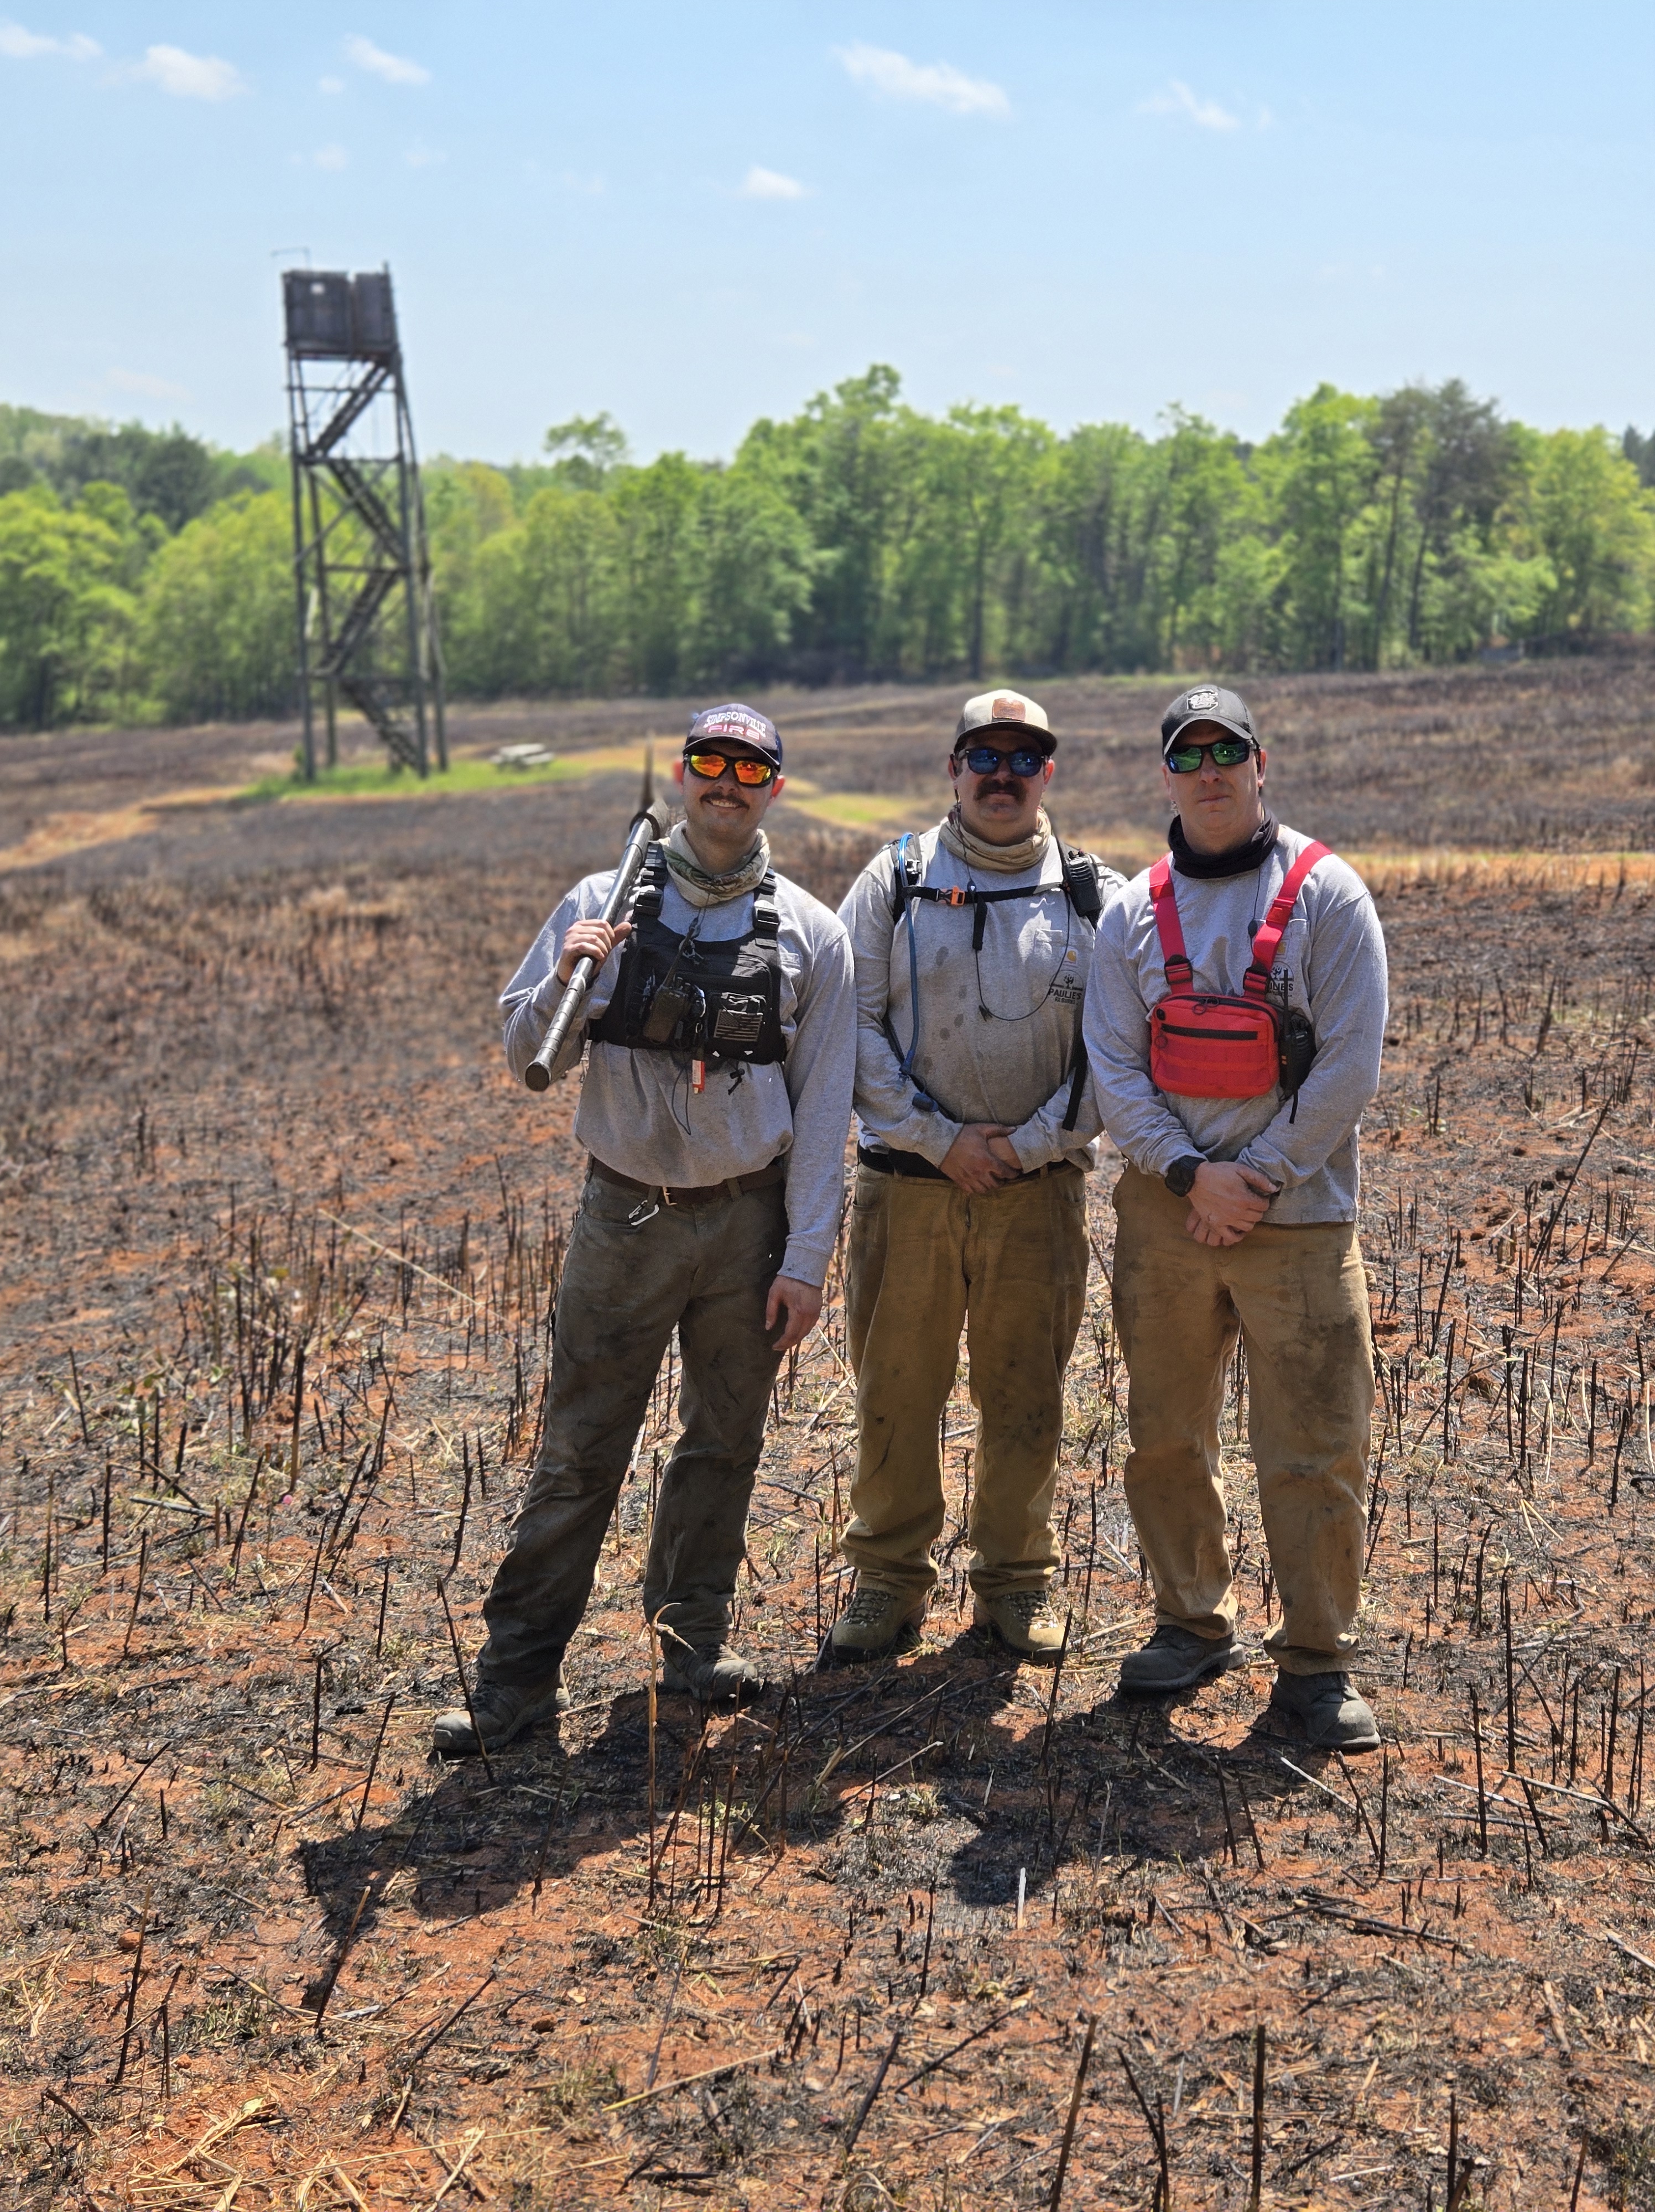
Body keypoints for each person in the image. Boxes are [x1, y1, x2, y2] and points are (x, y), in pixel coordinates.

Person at [433, 704, 856, 1752]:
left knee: (724, 1442)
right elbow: (530, 1051)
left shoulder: (812, 930)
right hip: (624, 1217)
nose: (727, 782)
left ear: (775, 788)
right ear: (681, 774)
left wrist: (806, 1258)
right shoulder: (601, 900)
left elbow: (826, 1109)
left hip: (746, 1224)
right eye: (711, 762)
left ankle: (692, 1645)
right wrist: (566, 971)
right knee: (579, 1451)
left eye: (750, 767)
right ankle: (516, 1683)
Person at [1084, 683, 1388, 1751]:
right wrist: (1183, 1173)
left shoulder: (1330, 896)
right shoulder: (1132, 910)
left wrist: (1250, 1176)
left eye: (1229, 751)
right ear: (1165, 774)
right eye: (1188, 754)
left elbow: (1349, 1066)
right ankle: (1189, 1622)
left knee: (1314, 1444)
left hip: (1299, 1216)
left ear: (1264, 763)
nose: (1209, 772)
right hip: (1166, 1216)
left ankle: (1315, 1662)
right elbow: (1113, 1065)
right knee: (1165, 1436)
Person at [829, 688, 1123, 1665]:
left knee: (1025, 1394)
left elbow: (1115, 1053)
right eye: (983, 758)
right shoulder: (894, 879)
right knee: (896, 1391)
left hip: (1036, 1195)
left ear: (1050, 775)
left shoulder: (1097, 897)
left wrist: (1028, 1146)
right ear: (951, 769)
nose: (1002, 777)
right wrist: (934, 1138)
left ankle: (1014, 1586)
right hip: (907, 1187)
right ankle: (886, 1582)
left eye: (1023, 761)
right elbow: (851, 1024)